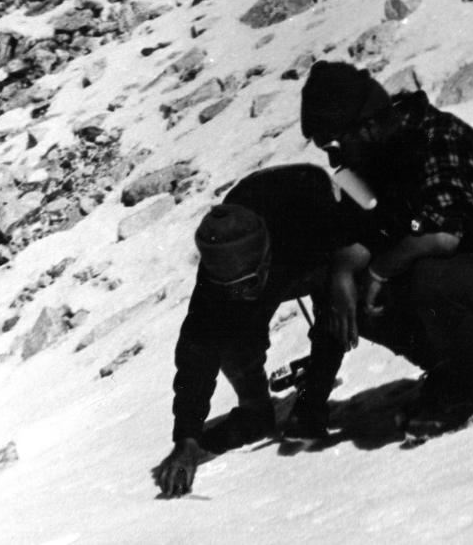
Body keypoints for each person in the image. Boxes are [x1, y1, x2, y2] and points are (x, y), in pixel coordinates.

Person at [300, 60, 473, 437]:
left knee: (426, 274)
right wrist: (341, 275)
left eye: (335, 146)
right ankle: (461, 373)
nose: (336, 160)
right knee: (350, 288)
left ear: (366, 127)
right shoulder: (381, 154)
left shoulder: (437, 138)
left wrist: (376, 271)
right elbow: (366, 235)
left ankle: (465, 390)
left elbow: (441, 237)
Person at [152, 163, 378, 498]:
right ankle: (255, 411)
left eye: (250, 283)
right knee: (227, 329)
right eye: (234, 288)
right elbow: (196, 353)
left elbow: (366, 236)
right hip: (267, 241)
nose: (244, 294)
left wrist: (343, 275)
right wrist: (186, 439)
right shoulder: (218, 277)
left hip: (310, 240)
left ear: (266, 257)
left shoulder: (311, 223)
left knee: (339, 305)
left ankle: (311, 397)